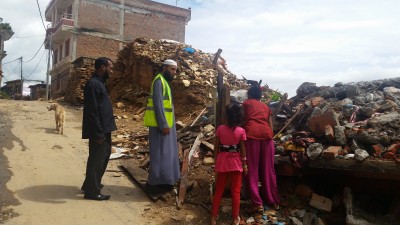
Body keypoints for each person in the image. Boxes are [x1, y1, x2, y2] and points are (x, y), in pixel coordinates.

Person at [81, 57, 117, 201]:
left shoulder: (100, 83)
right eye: (110, 67)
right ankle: (92, 191)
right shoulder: (93, 84)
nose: (111, 70)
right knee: (97, 159)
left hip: (104, 128)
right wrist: (98, 133)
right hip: (99, 130)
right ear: (103, 67)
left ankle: (90, 184)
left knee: (102, 156)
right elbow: (92, 111)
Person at [143, 59, 180, 195]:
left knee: (166, 155)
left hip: (166, 126)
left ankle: (164, 182)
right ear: (164, 68)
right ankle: (152, 184)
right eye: (172, 69)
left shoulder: (164, 83)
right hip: (160, 126)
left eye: (175, 70)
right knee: (159, 155)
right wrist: (163, 125)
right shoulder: (159, 81)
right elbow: (158, 105)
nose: (174, 73)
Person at [242, 85, 280, 212]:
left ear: (249, 94)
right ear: (260, 95)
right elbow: (271, 126)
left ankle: (257, 203)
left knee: (252, 169)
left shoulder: (246, 104)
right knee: (268, 170)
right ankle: (273, 201)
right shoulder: (266, 107)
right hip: (267, 137)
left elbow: (241, 121)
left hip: (251, 134)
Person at [211, 103, 247, 225]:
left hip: (222, 164)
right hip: (236, 164)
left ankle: (214, 217)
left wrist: (216, 161)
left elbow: (216, 148)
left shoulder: (220, 129)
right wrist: (245, 164)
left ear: (227, 116)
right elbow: (242, 150)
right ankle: (235, 218)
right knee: (235, 193)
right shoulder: (241, 131)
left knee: (219, 191)